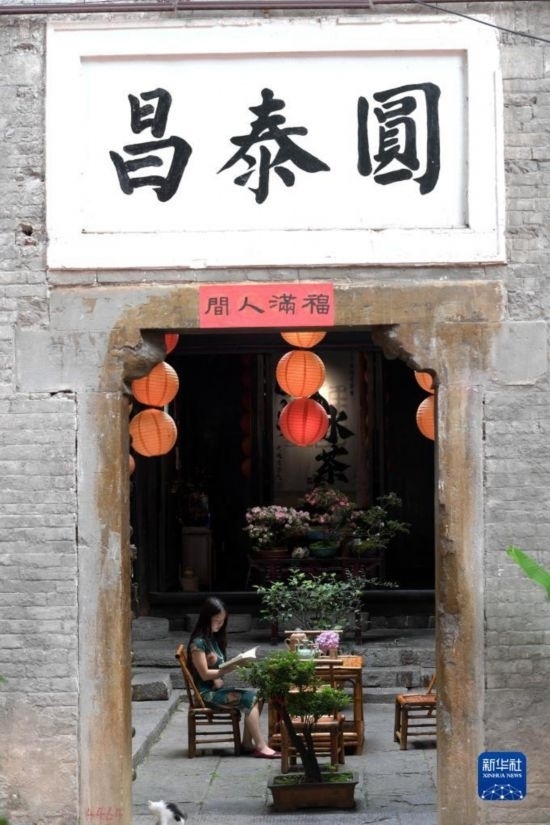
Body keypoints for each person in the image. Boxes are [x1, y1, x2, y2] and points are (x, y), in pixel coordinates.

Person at [187, 595, 279, 758]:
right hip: (206, 695)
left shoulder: (213, 639)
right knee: (250, 698)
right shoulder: (198, 643)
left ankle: (247, 743)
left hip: (216, 689)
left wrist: (230, 665)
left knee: (259, 695)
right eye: (216, 621)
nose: (219, 624)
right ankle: (261, 746)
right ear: (206, 619)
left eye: (222, 621)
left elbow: (214, 668)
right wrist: (229, 668)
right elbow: (204, 674)